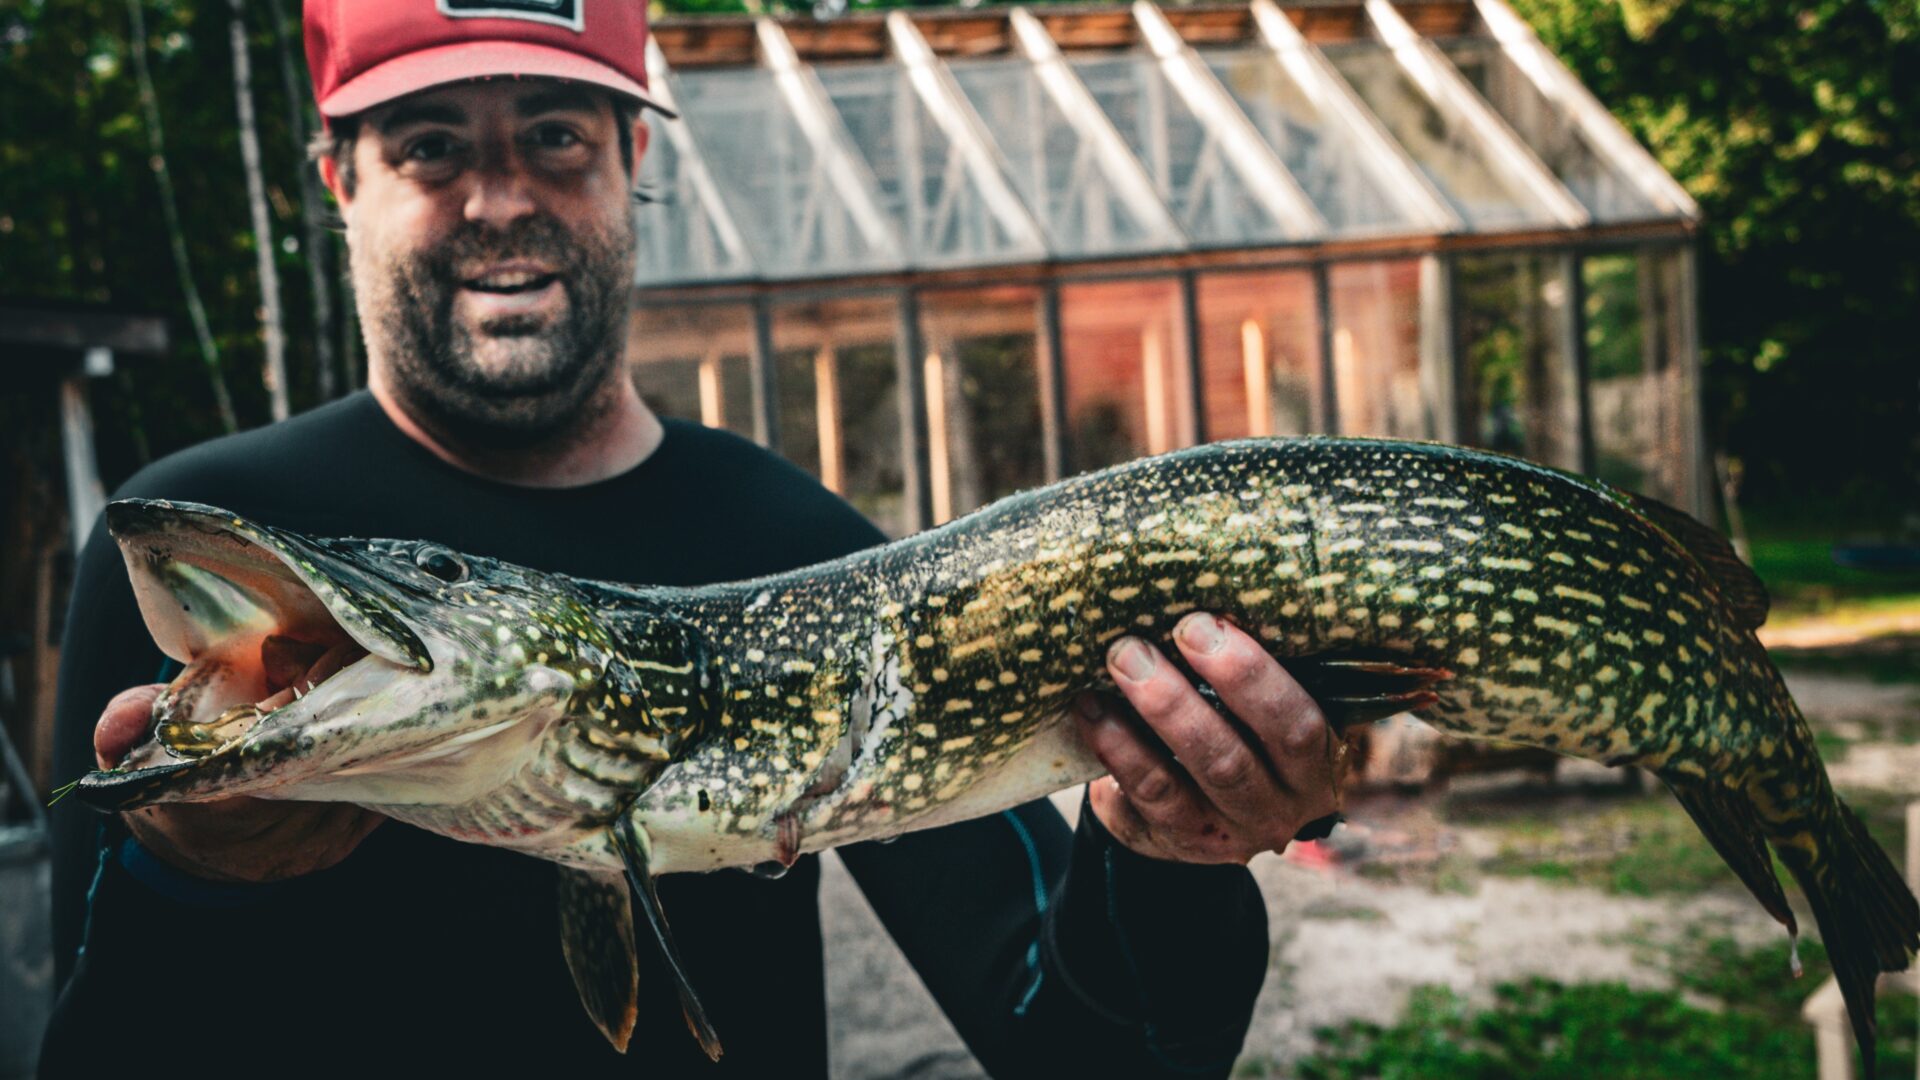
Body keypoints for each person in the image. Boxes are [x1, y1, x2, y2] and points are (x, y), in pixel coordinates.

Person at [40, 1, 1340, 1075]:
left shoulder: (791, 541)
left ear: (632, 161)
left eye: (554, 136)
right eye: (431, 146)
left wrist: (1172, 859)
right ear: (340, 181)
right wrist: (187, 885)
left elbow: (1090, 1055)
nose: (498, 199)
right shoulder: (209, 549)